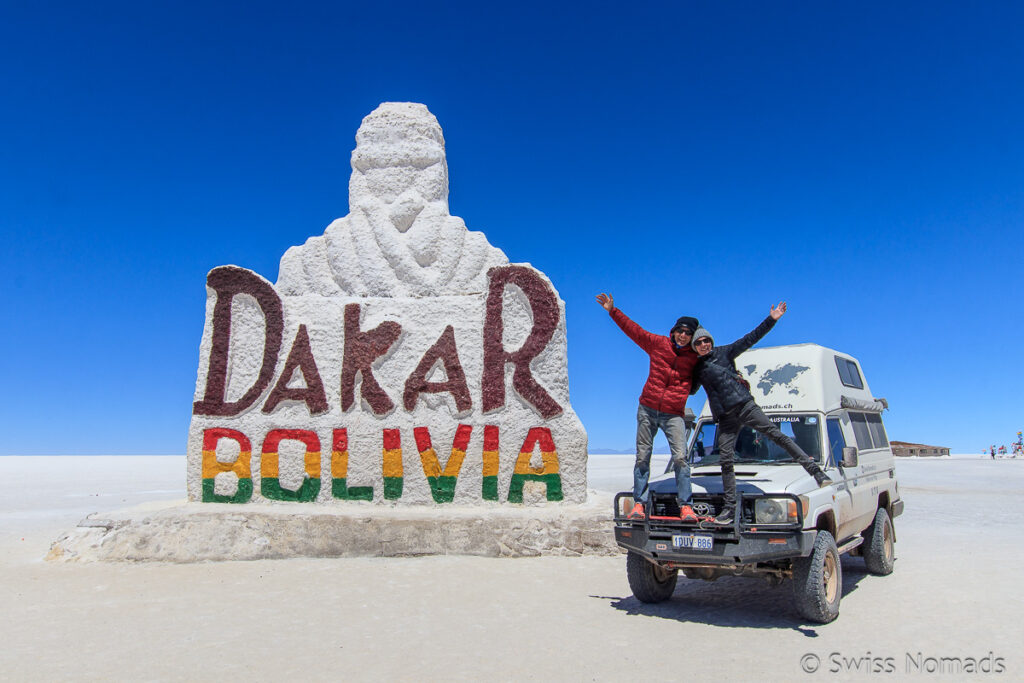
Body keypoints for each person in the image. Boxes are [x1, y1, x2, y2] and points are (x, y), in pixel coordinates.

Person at [689, 302, 832, 526]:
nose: (703, 344)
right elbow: (689, 389)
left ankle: (816, 472)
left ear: (711, 341)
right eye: (698, 342)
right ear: (694, 346)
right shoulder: (696, 368)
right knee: (726, 460)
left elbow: (750, 338)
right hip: (725, 417)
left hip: (745, 406)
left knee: (777, 436)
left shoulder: (725, 353)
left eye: (706, 340)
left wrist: (771, 319)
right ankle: (729, 509)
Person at [596, 293, 701, 521]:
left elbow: (718, 365)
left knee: (681, 459)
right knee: (643, 457)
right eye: (680, 331)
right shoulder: (658, 344)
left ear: (692, 337)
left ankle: (686, 506)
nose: (682, 336)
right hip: (647, 408)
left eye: (688, 333)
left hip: (673, 414)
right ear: (673, 331)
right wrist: (613, 310)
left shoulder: (695, 358)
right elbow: (634, 331)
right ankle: (639, 504)